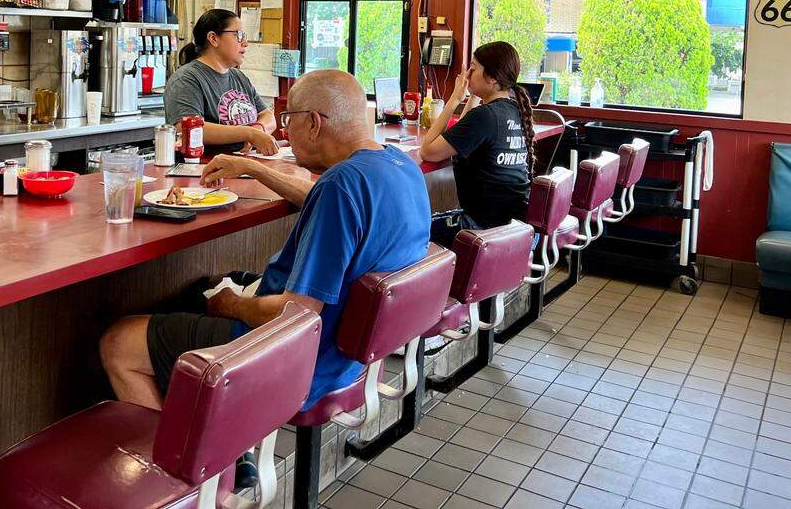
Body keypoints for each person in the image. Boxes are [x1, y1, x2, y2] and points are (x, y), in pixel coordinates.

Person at [100, 69, 431, 414]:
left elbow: (294, 313)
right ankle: (230, 446)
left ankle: (186, 461)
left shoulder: (341, 185)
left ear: (314, 124)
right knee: (203, 288)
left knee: (119, 342)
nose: (285, 129)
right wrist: (254, 168)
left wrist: (232, 306)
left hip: (302, 358)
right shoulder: (398, 164)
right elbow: (324, 198)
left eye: (289, 119)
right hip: (350, 354)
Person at [419, 41, 537, 246]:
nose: (466, 75)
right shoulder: (513, 110)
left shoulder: (485, 117)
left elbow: (427, 151)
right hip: (515, 228)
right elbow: (464, 131)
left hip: (485, 230)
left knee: (413, 229)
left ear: (491, 78)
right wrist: (472, 96)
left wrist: (454, 100)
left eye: (473, 69)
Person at [163, 8, 279, 156]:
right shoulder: (186, 79)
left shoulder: (239, 77)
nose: (245, 42)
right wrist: (248, 134)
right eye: (238, 35)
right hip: (206, 171)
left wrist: (257, 130)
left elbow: (268, 116)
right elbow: (189, 129)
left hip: (245, 167)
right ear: (213, 38)